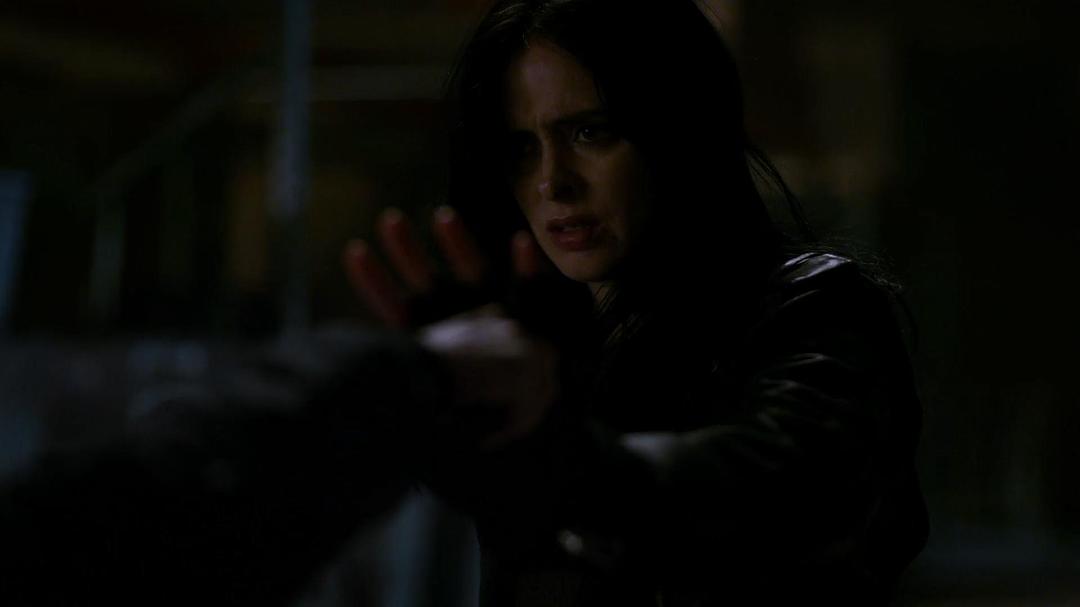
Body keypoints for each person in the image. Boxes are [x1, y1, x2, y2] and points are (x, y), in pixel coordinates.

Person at [343, 0, 929, 605]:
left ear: (676, 130)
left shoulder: (812, 306)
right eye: (522, 147)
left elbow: (786, 485)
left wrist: (559, 458)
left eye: (589, 132)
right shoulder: (556, 339)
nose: (553, 181)